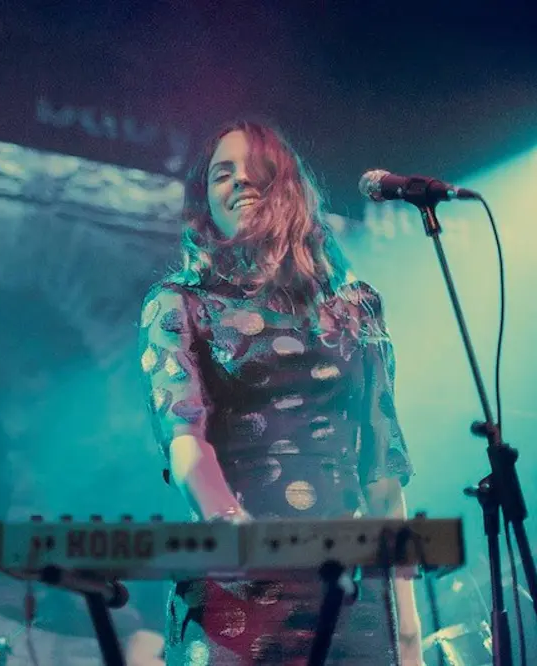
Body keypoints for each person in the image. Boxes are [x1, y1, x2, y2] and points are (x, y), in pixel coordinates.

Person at [138, 120, 423, 665]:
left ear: (287, 186)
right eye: (222, 174)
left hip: (349, 595)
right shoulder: (180, 303)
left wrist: (408, 631)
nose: (240, 181)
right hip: (236, 587)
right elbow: (185, 439)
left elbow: (383, 468)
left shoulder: (356, 308)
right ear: (206, 201)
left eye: (256, 169)